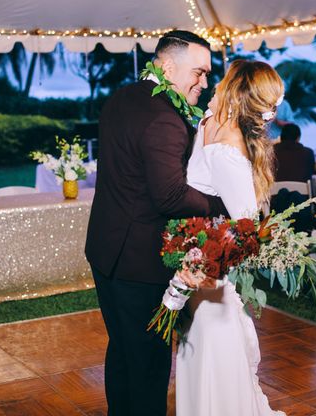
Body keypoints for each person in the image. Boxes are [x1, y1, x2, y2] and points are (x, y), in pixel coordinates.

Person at [84, 30, 226, 416]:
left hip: (105, 249)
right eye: (198, 72)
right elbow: (170, 196)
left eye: (207, 73)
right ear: (166, 66)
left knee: (123, 350)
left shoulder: (122, 98)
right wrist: (220, 203)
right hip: (138, 262)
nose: (205, 81)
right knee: (148, 363)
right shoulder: (164, 117)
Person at [177, 60, 285, 415]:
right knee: (214, 345)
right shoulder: (229, 144)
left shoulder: (209, 122)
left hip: (198, 252)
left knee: (205, 345)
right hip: (210, 261)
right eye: (271, 104)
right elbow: (247, 224)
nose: (273, 112)